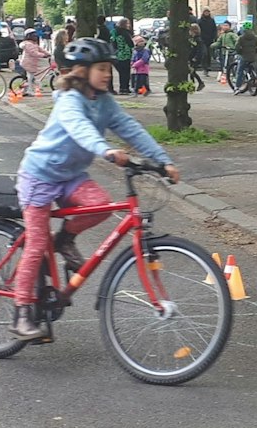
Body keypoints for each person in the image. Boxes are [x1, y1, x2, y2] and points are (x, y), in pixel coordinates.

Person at [9, 37, 181, 339]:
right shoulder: (69, 100)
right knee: (36, 244)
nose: (107, 74)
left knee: (99, 204)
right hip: (39, 176)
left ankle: (64, 240)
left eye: (108, 68)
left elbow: (131, 129)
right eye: (100, 68)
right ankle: (22, 312)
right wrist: (106, 150)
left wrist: (163, 160)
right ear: (82, 71)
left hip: (70, 176)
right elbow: (80, 127)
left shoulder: (104, 102)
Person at [21, 29, 51, 95]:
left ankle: (26, 89)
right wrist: (43, 55)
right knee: (30, 78)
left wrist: (48, 54)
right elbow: (33, 53)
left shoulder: (34, 44)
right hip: (28, 63)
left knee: (31, 77)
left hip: (31, 63)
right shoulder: (28, 44)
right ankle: (29, 90)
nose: (35, 36)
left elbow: (41, 49)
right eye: (33, 35)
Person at [235, 23, 257, 94]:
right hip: (253, 57)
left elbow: (237, 47)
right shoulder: (255, 37)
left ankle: (237, 87)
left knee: (240, 71)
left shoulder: (241, 38)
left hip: (244, 56)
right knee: (256, 71)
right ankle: (256, 87)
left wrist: (240, 52)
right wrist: (255, 52)